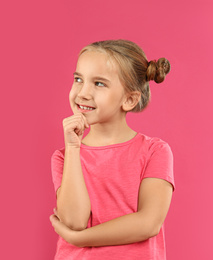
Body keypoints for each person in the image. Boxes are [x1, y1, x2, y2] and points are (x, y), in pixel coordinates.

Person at [49, 39, 175, 260]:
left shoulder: (154, 151)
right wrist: (72, 147)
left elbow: (148, 223)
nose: (83, 93)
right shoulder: (63, 157)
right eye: (78, 79)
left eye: (99, 83)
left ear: (129, 99)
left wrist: (80, 239)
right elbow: (74, 221)